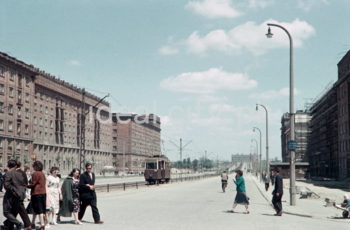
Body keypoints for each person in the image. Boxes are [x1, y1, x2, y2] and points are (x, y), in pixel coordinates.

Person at [3, 160, 32, 230]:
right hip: (20, 194)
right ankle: (9, 225)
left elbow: (7, 185)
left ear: (8, 166)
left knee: (6, 211)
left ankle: (18, 223)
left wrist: (13, 191)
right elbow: (25, 183)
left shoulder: (8, 173)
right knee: (15, 210)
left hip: (12, 195)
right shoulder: (20, 173)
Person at [27, 161, 46, 230]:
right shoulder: (42, 173)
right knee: (39, 209)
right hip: (43, 193)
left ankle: (42, 224)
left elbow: (33, 183)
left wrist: (26, 186)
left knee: (37, 209)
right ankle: (33, 223)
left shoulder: (35, 173)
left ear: (35, 167)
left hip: (36, 193)